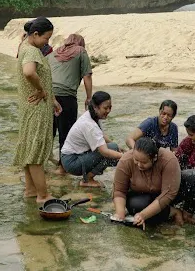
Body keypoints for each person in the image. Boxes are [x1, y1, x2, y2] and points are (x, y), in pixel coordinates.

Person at [13, 17, 63, 204]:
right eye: (46, 39)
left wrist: (51, 99)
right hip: (36, 110)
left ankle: (31, 189)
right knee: (36, 153)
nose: (47, 43)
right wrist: (41, 91)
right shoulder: (32, 51)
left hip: (29, 108)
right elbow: (29, 72)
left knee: (29, 149)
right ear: (35, 34)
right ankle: (43, 195)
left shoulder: (24, 47)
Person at [112, 137, 183, 228]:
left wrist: (143, 215)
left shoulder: (168, 160)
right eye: (136, 160)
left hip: (163, 195)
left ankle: (174, 211)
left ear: (154, 158)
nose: (139, 165)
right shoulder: (126, 160)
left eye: (144, 162)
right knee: (136, 206)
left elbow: (168, 194)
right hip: (140, 197)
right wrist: (120, 214)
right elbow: (119, 190)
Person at [49, 34, 93, 171]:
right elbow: (87, 76)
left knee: (49, 132)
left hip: (48, 97)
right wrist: (89, 97)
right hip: (66, 97)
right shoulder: (81, 51)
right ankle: (62, 167)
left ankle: (42, 162)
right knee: (66, 133)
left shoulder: (53, 53)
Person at [60, 91, 122, 187]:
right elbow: (104, 151)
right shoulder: (89, 124)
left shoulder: (92, 115)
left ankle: (88, 177)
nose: (108, 111)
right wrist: (125, 156)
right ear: (95, 107)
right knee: (112, 150)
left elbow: (100, 136)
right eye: (105, 108)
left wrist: (121, 149)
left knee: (114, 147)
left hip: (72, 157)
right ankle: (87, 180)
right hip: (72, 162)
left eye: (110, 107)